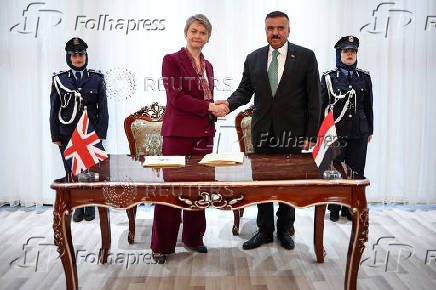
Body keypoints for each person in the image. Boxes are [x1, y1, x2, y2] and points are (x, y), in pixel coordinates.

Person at [217, 11, 320, 250]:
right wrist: (228, 105)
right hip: (262, 132)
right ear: (265, 30)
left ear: (288, 30)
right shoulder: (253, 58)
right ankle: (264, 230)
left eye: (280, 28)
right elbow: (244, 91)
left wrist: (311, 134)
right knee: (260, 183)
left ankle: (285, 229)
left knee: (289, 184)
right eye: (270, 28)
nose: (275, 32)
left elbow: (315, 98)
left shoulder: (305, 57)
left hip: (293, 132)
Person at [150, 14, 228, 264]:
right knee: (169, 190)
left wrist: (215, 108)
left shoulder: (209, 66)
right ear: (186, 33)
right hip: (177, 135)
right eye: (194, 31)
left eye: (203, 33)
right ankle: (161, 245)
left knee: (199, 189)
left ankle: (193, 238)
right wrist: (209, 107)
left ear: (208, 38)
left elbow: (206, 101)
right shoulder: (171, 60)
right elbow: (177, 98)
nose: (197, 36)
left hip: (204, 134)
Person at [50, 37, 109, 222]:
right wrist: (55, 136)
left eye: (81, 54)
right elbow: (54, 109)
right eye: (74, 55)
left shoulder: (97, 79)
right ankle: (76, 206)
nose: (78, 58)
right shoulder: (59, 80)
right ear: (68, 57)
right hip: (67, 133)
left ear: (86, 55)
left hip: (90, 134)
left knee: (91, 173)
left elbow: (103, 109)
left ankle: (89, 205)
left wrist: (99, 135)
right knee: (72, 171)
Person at [320, 36, 373, 222]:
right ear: (338, 54)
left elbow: (368, 106)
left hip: (360, 131)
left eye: (353, 51)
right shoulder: (328, 78)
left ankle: (352, 208)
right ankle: (334, 208)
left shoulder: (364, 78)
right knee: (335, 171)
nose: (350, 54)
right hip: (336, 132)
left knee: (356, 169)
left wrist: (370, 130)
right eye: (346, 51)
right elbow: (322, 107)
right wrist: (320, 135)